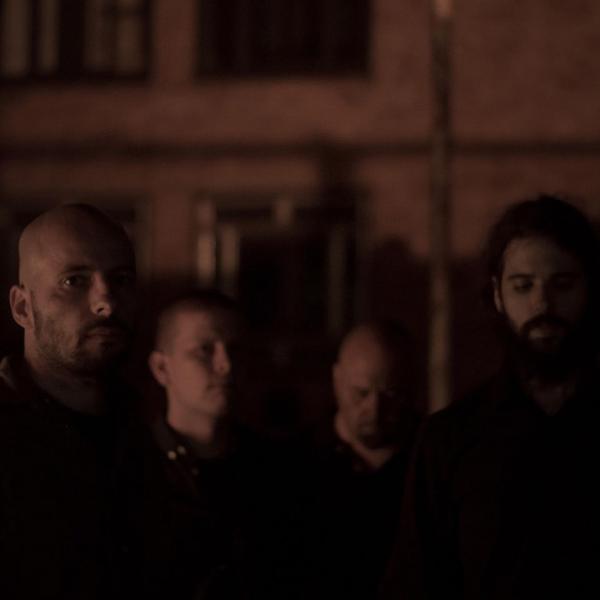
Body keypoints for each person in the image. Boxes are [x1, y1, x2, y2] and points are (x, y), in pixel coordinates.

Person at [382, 195, 600, 600]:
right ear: (498, 295)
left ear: (590, 289)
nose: (542, 304)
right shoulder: (450, 440)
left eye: (562, 284)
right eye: (523, 286)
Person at [0, 203, 166, 599]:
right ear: (23, 307)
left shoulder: (154, 431)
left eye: (121, 279)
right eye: (74, 281)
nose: (105, 302)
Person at [148, 289, 309, 599]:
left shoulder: (276, 469)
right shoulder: (131, 467)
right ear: (161, 368)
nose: (226, 365)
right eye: (204, 350)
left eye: (235, 350)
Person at [309, 322, 421, 600]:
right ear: (337, 380)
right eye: (361, 393)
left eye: (391, 393)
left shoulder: (432, 461)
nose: (375, 409)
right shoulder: (297, 465)